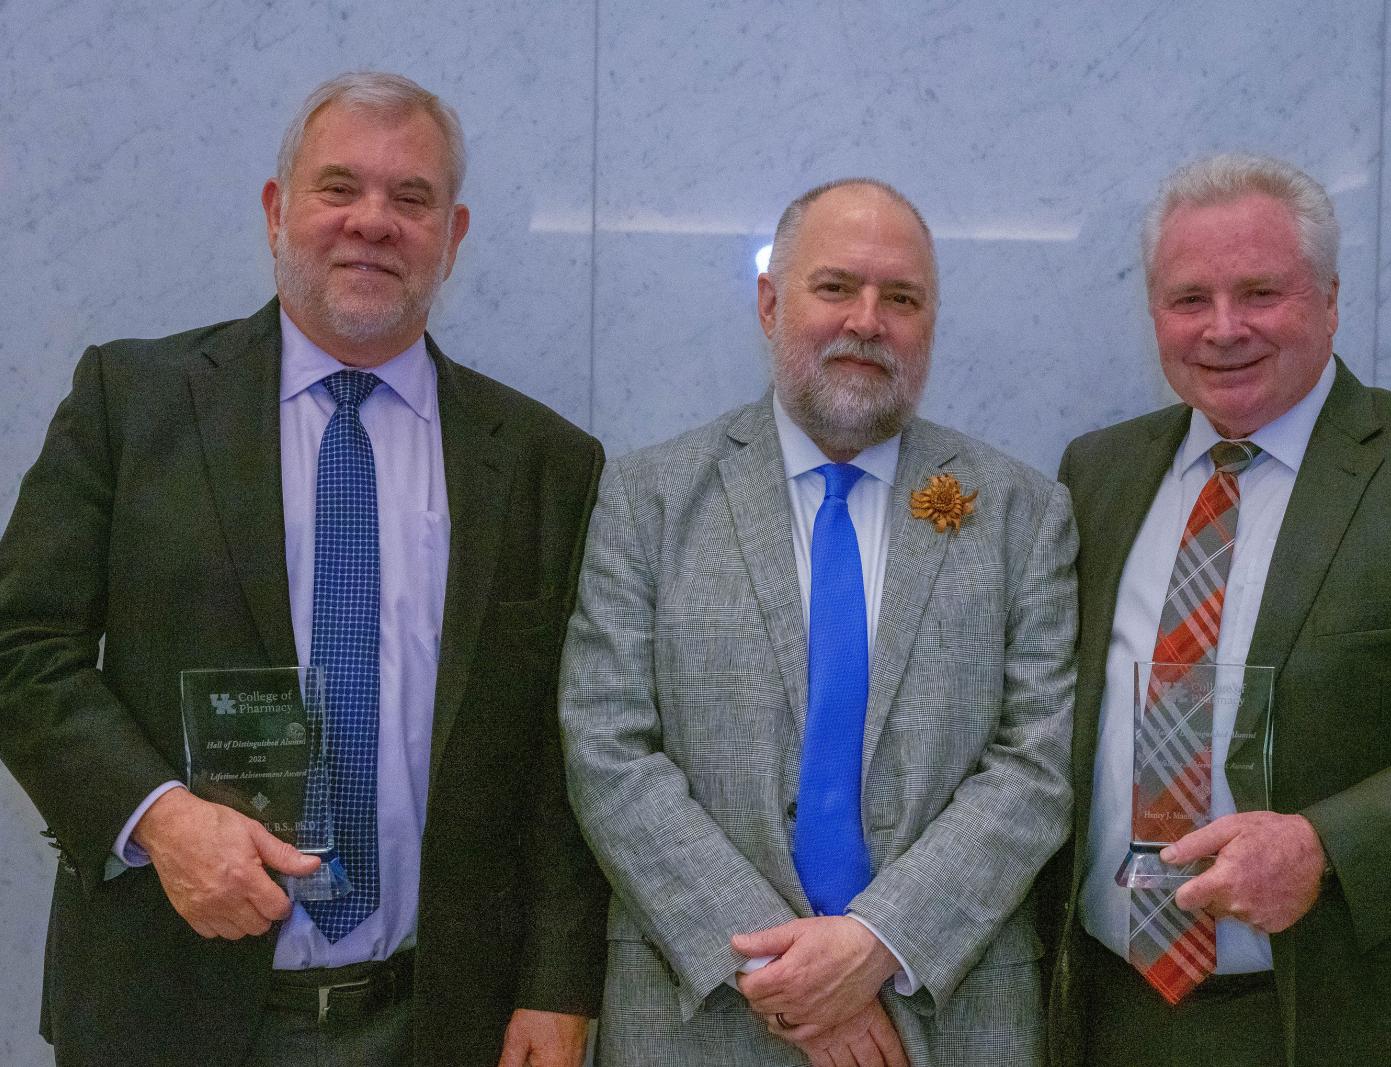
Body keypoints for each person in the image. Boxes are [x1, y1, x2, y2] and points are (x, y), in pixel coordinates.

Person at [0, 72, 607, 1066]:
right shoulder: (133, 400)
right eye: (339, 188)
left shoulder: (544, 461)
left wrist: (556, 985)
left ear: (451, 235)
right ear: (279, 211)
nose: (373, 221)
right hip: (167, 1001)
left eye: (410, 198)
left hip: (440, 1018)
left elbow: (563, 748)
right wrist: (157, 818)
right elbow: (21, 644)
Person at [1042, 152, 1391, 1066]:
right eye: (1190, 300)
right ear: (1154, 316)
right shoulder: (1095, 474)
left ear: (1330, 302)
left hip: (1362, 1020)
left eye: (1261, 291)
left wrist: (1325, 846)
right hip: (1114, 1014)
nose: (1224, 328)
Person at [558, 177, 1077, 1066]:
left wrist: (876, 943)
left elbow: (1037, 765)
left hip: (947, 1018)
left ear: (931, 322)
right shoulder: (647, 498)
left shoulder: (1022, 512)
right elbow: (607, 748)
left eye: (901, 297)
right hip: (703, 1011)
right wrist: (795, 973)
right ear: (770, 303)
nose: (867, 320)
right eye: (835, 286)